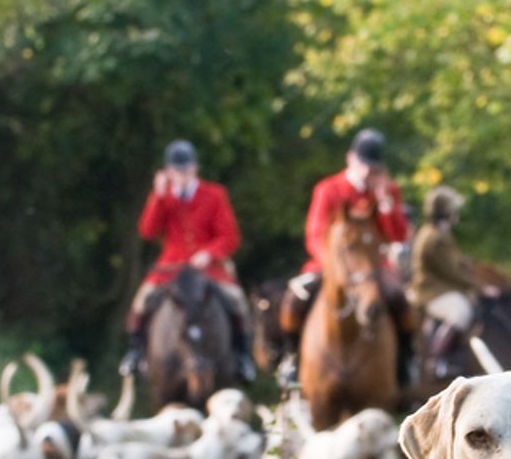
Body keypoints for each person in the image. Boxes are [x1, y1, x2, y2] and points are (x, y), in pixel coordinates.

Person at [275, 128, 414, 386]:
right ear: (350, 158)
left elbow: (397, 235)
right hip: (330, 263)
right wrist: (332, 264)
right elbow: (315, 233)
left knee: (399, 298)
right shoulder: (329, 189)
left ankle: (405, 361)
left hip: (373, 266)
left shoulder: (387, 190)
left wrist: (386, 206)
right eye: (362, 164)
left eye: (371, 167)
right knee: (294, 299)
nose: (366, 172)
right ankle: (292, 359)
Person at [121, 139, 255, 381]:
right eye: (176, 170)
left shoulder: (215, 195)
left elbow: (230, 237)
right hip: (171, 268)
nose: (182, 175)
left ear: (195, 168)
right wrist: (158, 198)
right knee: (141, 301)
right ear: (168, 172)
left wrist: (209, 253)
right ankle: (135, 354)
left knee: (237, 301)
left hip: (209, 268)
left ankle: (243, 357)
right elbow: (148, 232)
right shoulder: (162, 198)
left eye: (186, 169)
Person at [408, 185, 497, 379]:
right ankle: (438, 360)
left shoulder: (440, 233)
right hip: (430, 291)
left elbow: (455, 263)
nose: (457, 214)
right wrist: (481, 288)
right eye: (454, 210)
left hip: (441, 287)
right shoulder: (435, 238)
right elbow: (451, 272)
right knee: (460, 311)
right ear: (446, 212)